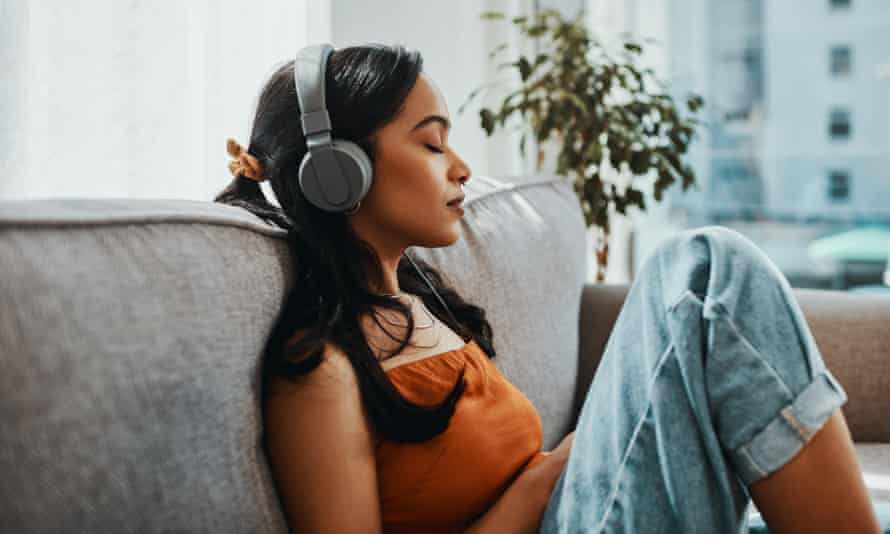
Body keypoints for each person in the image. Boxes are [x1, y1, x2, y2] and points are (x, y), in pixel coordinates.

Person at [214, 43, 883, 533]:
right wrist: (538, 484)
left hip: (576, 509)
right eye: (432, 144)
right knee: (704, 270)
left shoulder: (423, 307)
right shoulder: (320, 373)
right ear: (339, 173)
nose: (463, 168)